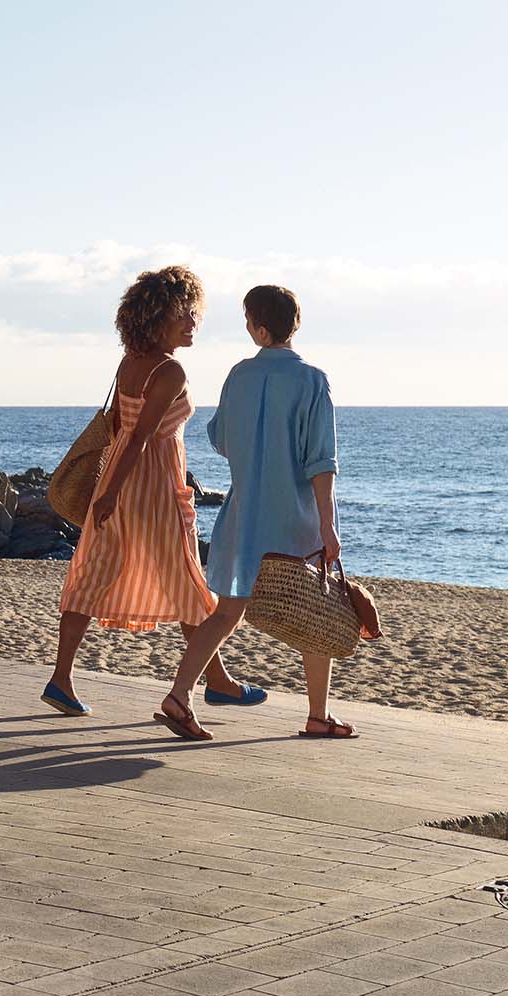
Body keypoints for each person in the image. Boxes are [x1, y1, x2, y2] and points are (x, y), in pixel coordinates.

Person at [43, 266, 264, 717]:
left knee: (92, 574)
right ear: (155, 317)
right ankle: (217, 682)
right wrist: (112, 494)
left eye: (194, 312)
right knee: (185, 580)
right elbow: (141, 436)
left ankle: (61, 678)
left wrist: (109, 493)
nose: (192, 321)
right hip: (154, 487)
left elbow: (124, 431)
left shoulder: (130, 363)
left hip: (120, 483)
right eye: (182, 312)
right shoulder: (170, 371)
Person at [153, 284, 354, 741]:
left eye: (247, 319)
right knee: (314, 613)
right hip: (293, 518)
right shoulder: (312, 380)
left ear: (260, 328)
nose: (246, 326)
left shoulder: (238, 376)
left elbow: (221, 439)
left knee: (226, 613)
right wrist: (328, 524)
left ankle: (180, 694)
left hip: (244, 517)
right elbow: (321, 461)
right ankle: (318, 715)